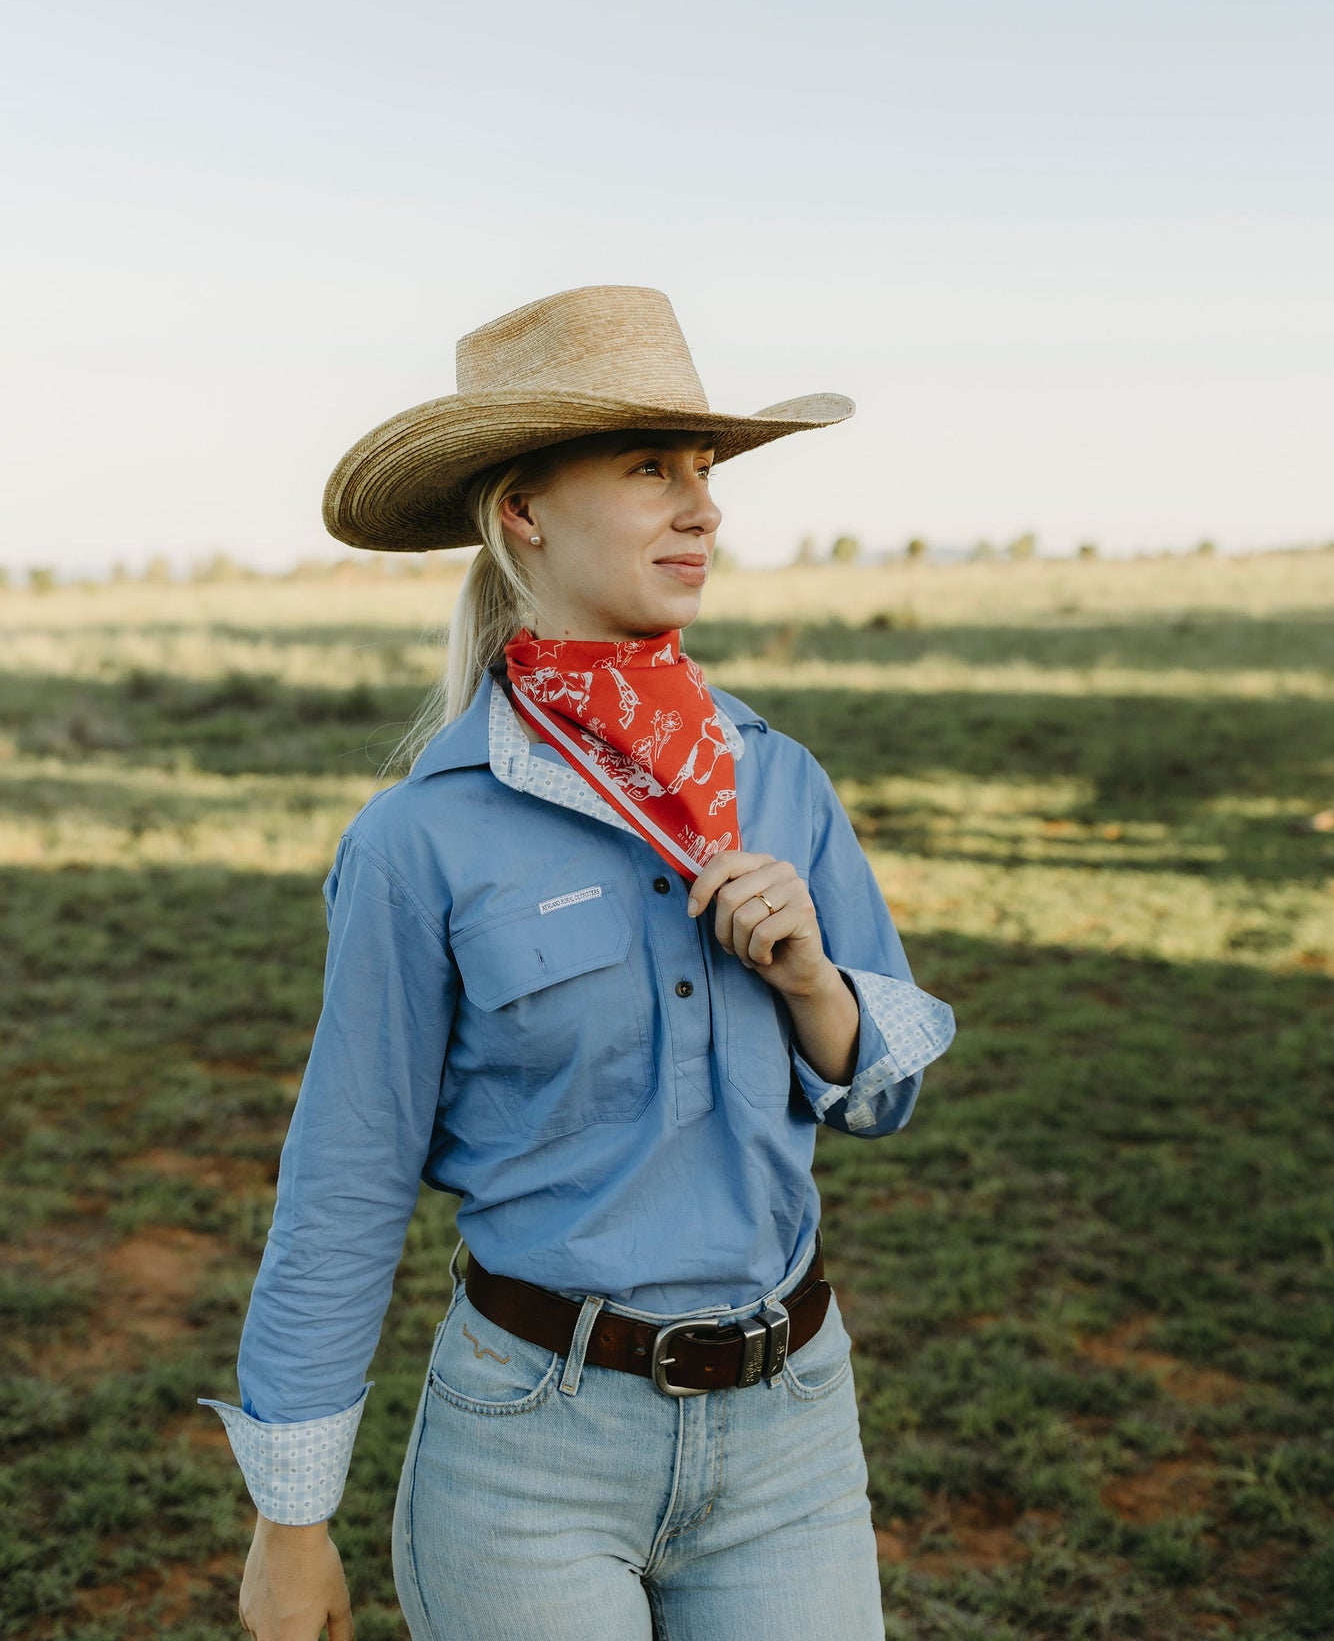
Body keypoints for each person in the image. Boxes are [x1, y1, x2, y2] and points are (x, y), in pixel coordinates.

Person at [199, 283, 955, 1641]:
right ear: (522, 513)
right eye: (649, 467)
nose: (702, 508)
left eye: (706, 471)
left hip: (789, 1437)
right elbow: (346, 1180)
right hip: (529, 1457)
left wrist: (809, 983)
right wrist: (290, 1521)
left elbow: (880, 1093)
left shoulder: (777, 780)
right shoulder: (416, 842)